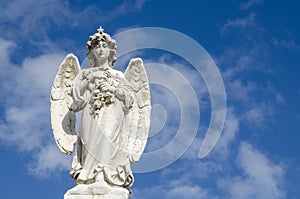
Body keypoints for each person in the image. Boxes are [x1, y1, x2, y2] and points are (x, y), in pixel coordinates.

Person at [70, 27, 134, 190]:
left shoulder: (118, 75)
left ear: (110, 51)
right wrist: (91, 78)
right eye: (97, 47)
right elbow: (76, 97)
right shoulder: (85, 73)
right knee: (90, 142)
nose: (100, 49)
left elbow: (129, 98)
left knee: (109, 139)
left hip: (112, 113)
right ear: (91, 53)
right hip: (91, 112)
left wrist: (112, 89)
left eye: (104, 46)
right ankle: (89, 175)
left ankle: (105, 176)